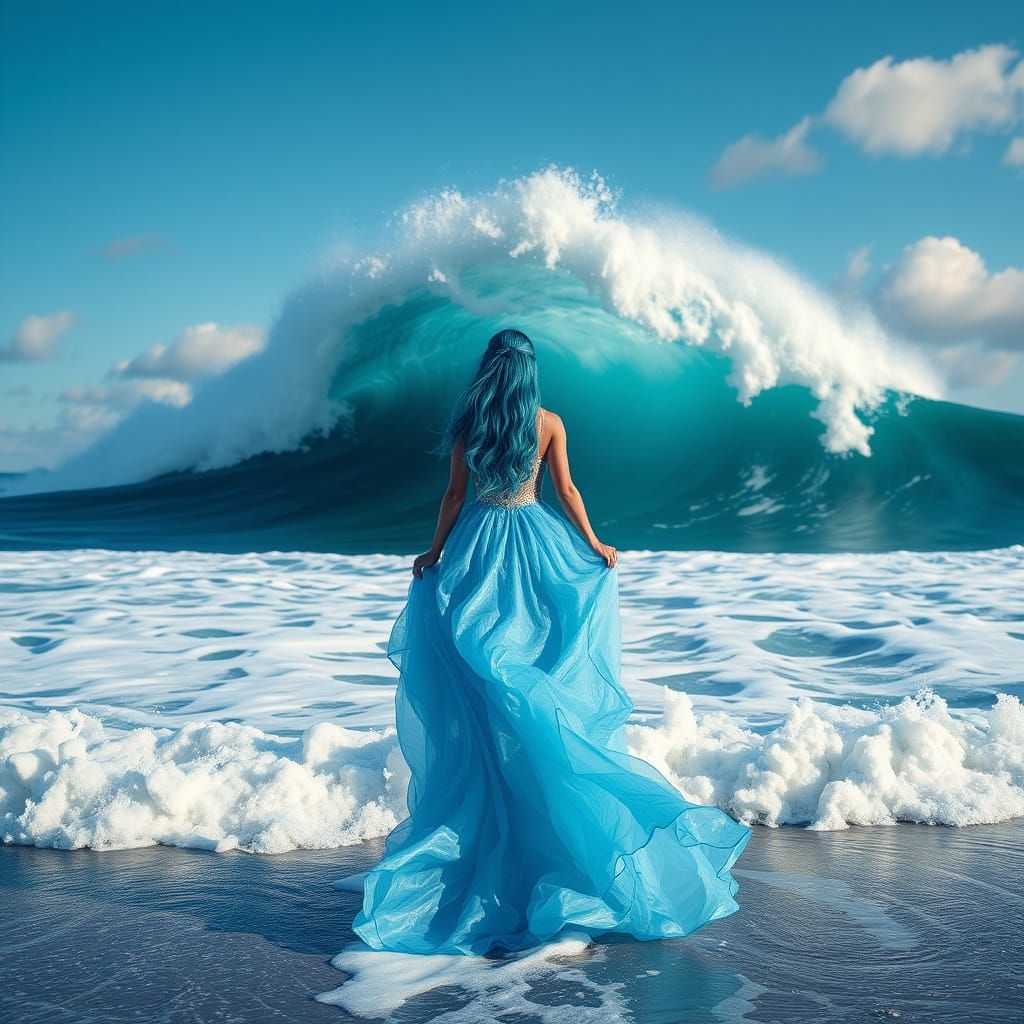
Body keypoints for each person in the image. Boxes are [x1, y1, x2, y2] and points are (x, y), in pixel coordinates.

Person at [352, 328, 750, 956]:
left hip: (478, 551)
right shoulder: (549, 422)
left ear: (490, 370)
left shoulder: (470, 424)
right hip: (537, 550)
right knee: (535, 678)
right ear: (531, 373)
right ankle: (555, 827)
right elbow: (565, 492)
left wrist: (433, 553)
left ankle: (502, 828)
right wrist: (593, 544)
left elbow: (455, 496)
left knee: (486, 690)